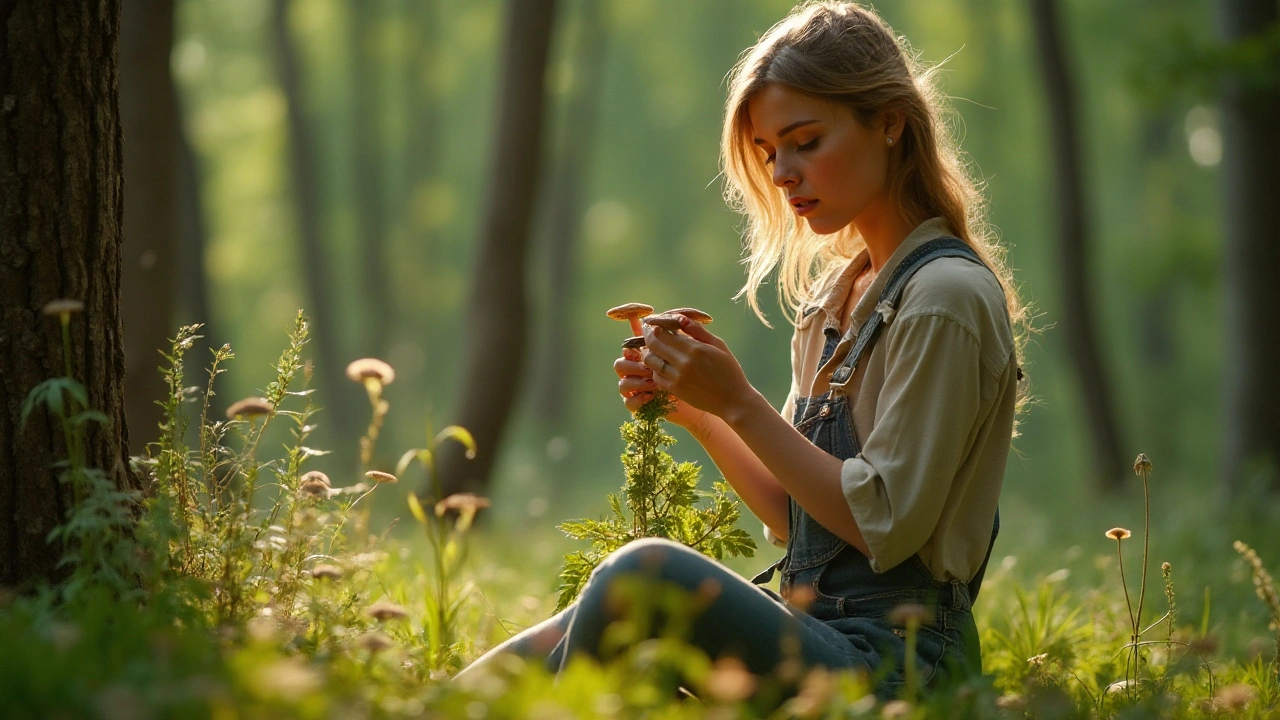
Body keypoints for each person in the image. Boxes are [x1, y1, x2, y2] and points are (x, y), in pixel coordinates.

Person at [456, 1, 1026, 698]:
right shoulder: (833, 297)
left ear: (888, 121)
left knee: (646, 575)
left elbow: (885, 526)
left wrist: (741, 402)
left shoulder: (944, 298)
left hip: (901, 668)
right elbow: (800, 519)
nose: (783, 172)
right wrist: (701, 413)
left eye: (805, 141)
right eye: (768, 152)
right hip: (819, 631)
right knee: (582, 615)